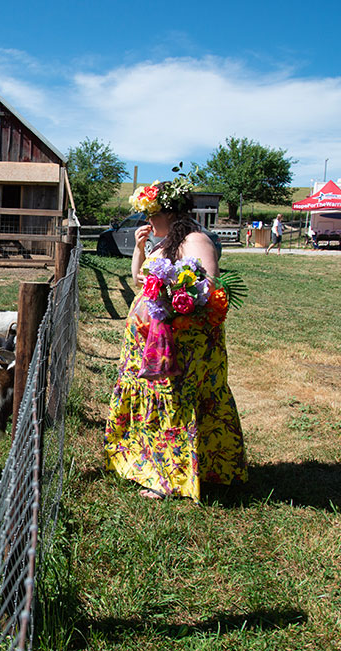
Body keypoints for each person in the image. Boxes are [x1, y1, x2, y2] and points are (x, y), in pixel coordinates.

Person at [104, 180, 247, 501]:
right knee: (156, 400)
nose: (148, 221)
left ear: (171, 212)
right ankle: (152, 468)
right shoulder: (163, 242)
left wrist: (171, 295)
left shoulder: (196, 240)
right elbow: (139, 280)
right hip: (152, 343)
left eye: (152, 214)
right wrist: (140, 249)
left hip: (181, 344)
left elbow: (206, 287)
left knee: (174, 402)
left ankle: (169, 478)